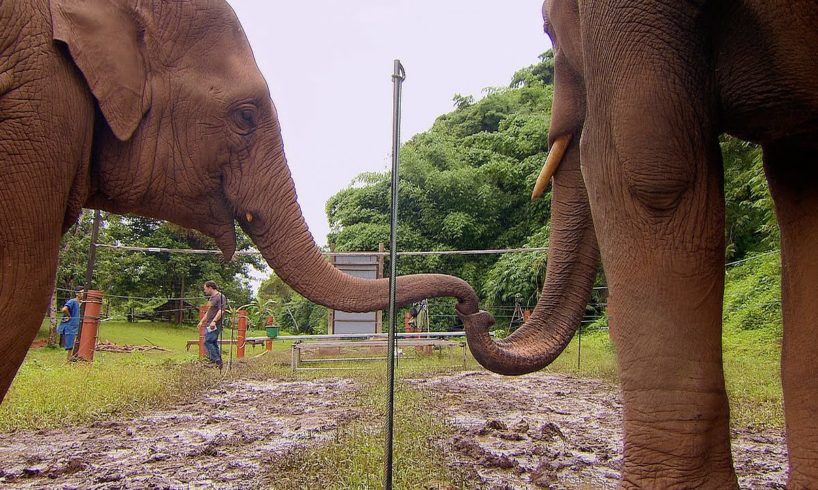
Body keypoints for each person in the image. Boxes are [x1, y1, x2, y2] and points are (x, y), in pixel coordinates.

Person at [198, 280, 225, 368]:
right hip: (209, 324)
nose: (205, 291)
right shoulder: (211, 298)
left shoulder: (220, 297)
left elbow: (221, 310)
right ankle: (218, 362)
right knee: (213, 342)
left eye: (205, 289)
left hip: (215, 324)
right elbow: (209, 311)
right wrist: (202, 321)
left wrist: (214, 321)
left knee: (207, 341)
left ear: (210, 288)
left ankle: (215, 360)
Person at [58, 287, 84, 361]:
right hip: (71, 325)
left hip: (78, 325)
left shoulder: (82, 303)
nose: (83, 294)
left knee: (77, 342)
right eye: (82, 292)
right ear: (77, 293)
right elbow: (64, 309)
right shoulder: (72, 301)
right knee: (70, 344)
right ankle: (68, 360)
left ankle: (74, 358)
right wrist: (69, 316)